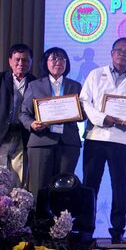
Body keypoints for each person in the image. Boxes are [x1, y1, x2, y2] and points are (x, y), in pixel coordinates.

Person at [79, 38, 126, 244]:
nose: (122, 54)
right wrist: (103, 118)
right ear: (112, 53)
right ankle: (86, 231)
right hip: (95, 136)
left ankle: (118, 231)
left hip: (121, 139)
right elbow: (84, 101)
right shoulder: (95, 74)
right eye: (119, 50)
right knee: (90, 185)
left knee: (120, 186)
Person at [19, 47, 82, 200]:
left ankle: (62, 216)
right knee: (39, 188)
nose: (58, 62)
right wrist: (32, 124)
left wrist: (80, 113)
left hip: (68, 143)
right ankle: (39, 216)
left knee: (65, 188)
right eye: (53, 59)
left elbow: (83, 115)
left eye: (62, 58)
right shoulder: (34, 85)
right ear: (45, 63)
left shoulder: (76, 86)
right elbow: (23, 113)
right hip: (41, 142)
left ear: (66, 63)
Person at [0, 44, 36, 185]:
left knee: (19, 178)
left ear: (31, 62)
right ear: (10, 61)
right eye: (17, 60)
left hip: (23, 135)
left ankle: (17, 200)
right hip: (2, 133)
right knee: (1, 175)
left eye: (25, 60)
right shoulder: (1, 79)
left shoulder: (36, 83)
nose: (21, 63)